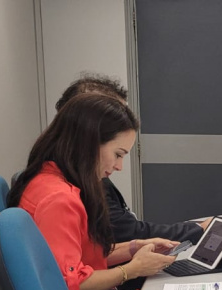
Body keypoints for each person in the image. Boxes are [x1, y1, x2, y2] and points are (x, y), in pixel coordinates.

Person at [7, 93, 177, 290]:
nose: (119, 166)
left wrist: (133, 248)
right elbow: (70, 285)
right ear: (89, 143)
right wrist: (131, 270)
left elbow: (75, 258)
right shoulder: (59, 200)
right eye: (118, 154)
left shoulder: (45, 179)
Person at [55, 73, 209, 243]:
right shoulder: (61, 194)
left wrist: (134, 249)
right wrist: (195, 230)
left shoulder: (84, 174)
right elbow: (126, 233)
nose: (119, 166)